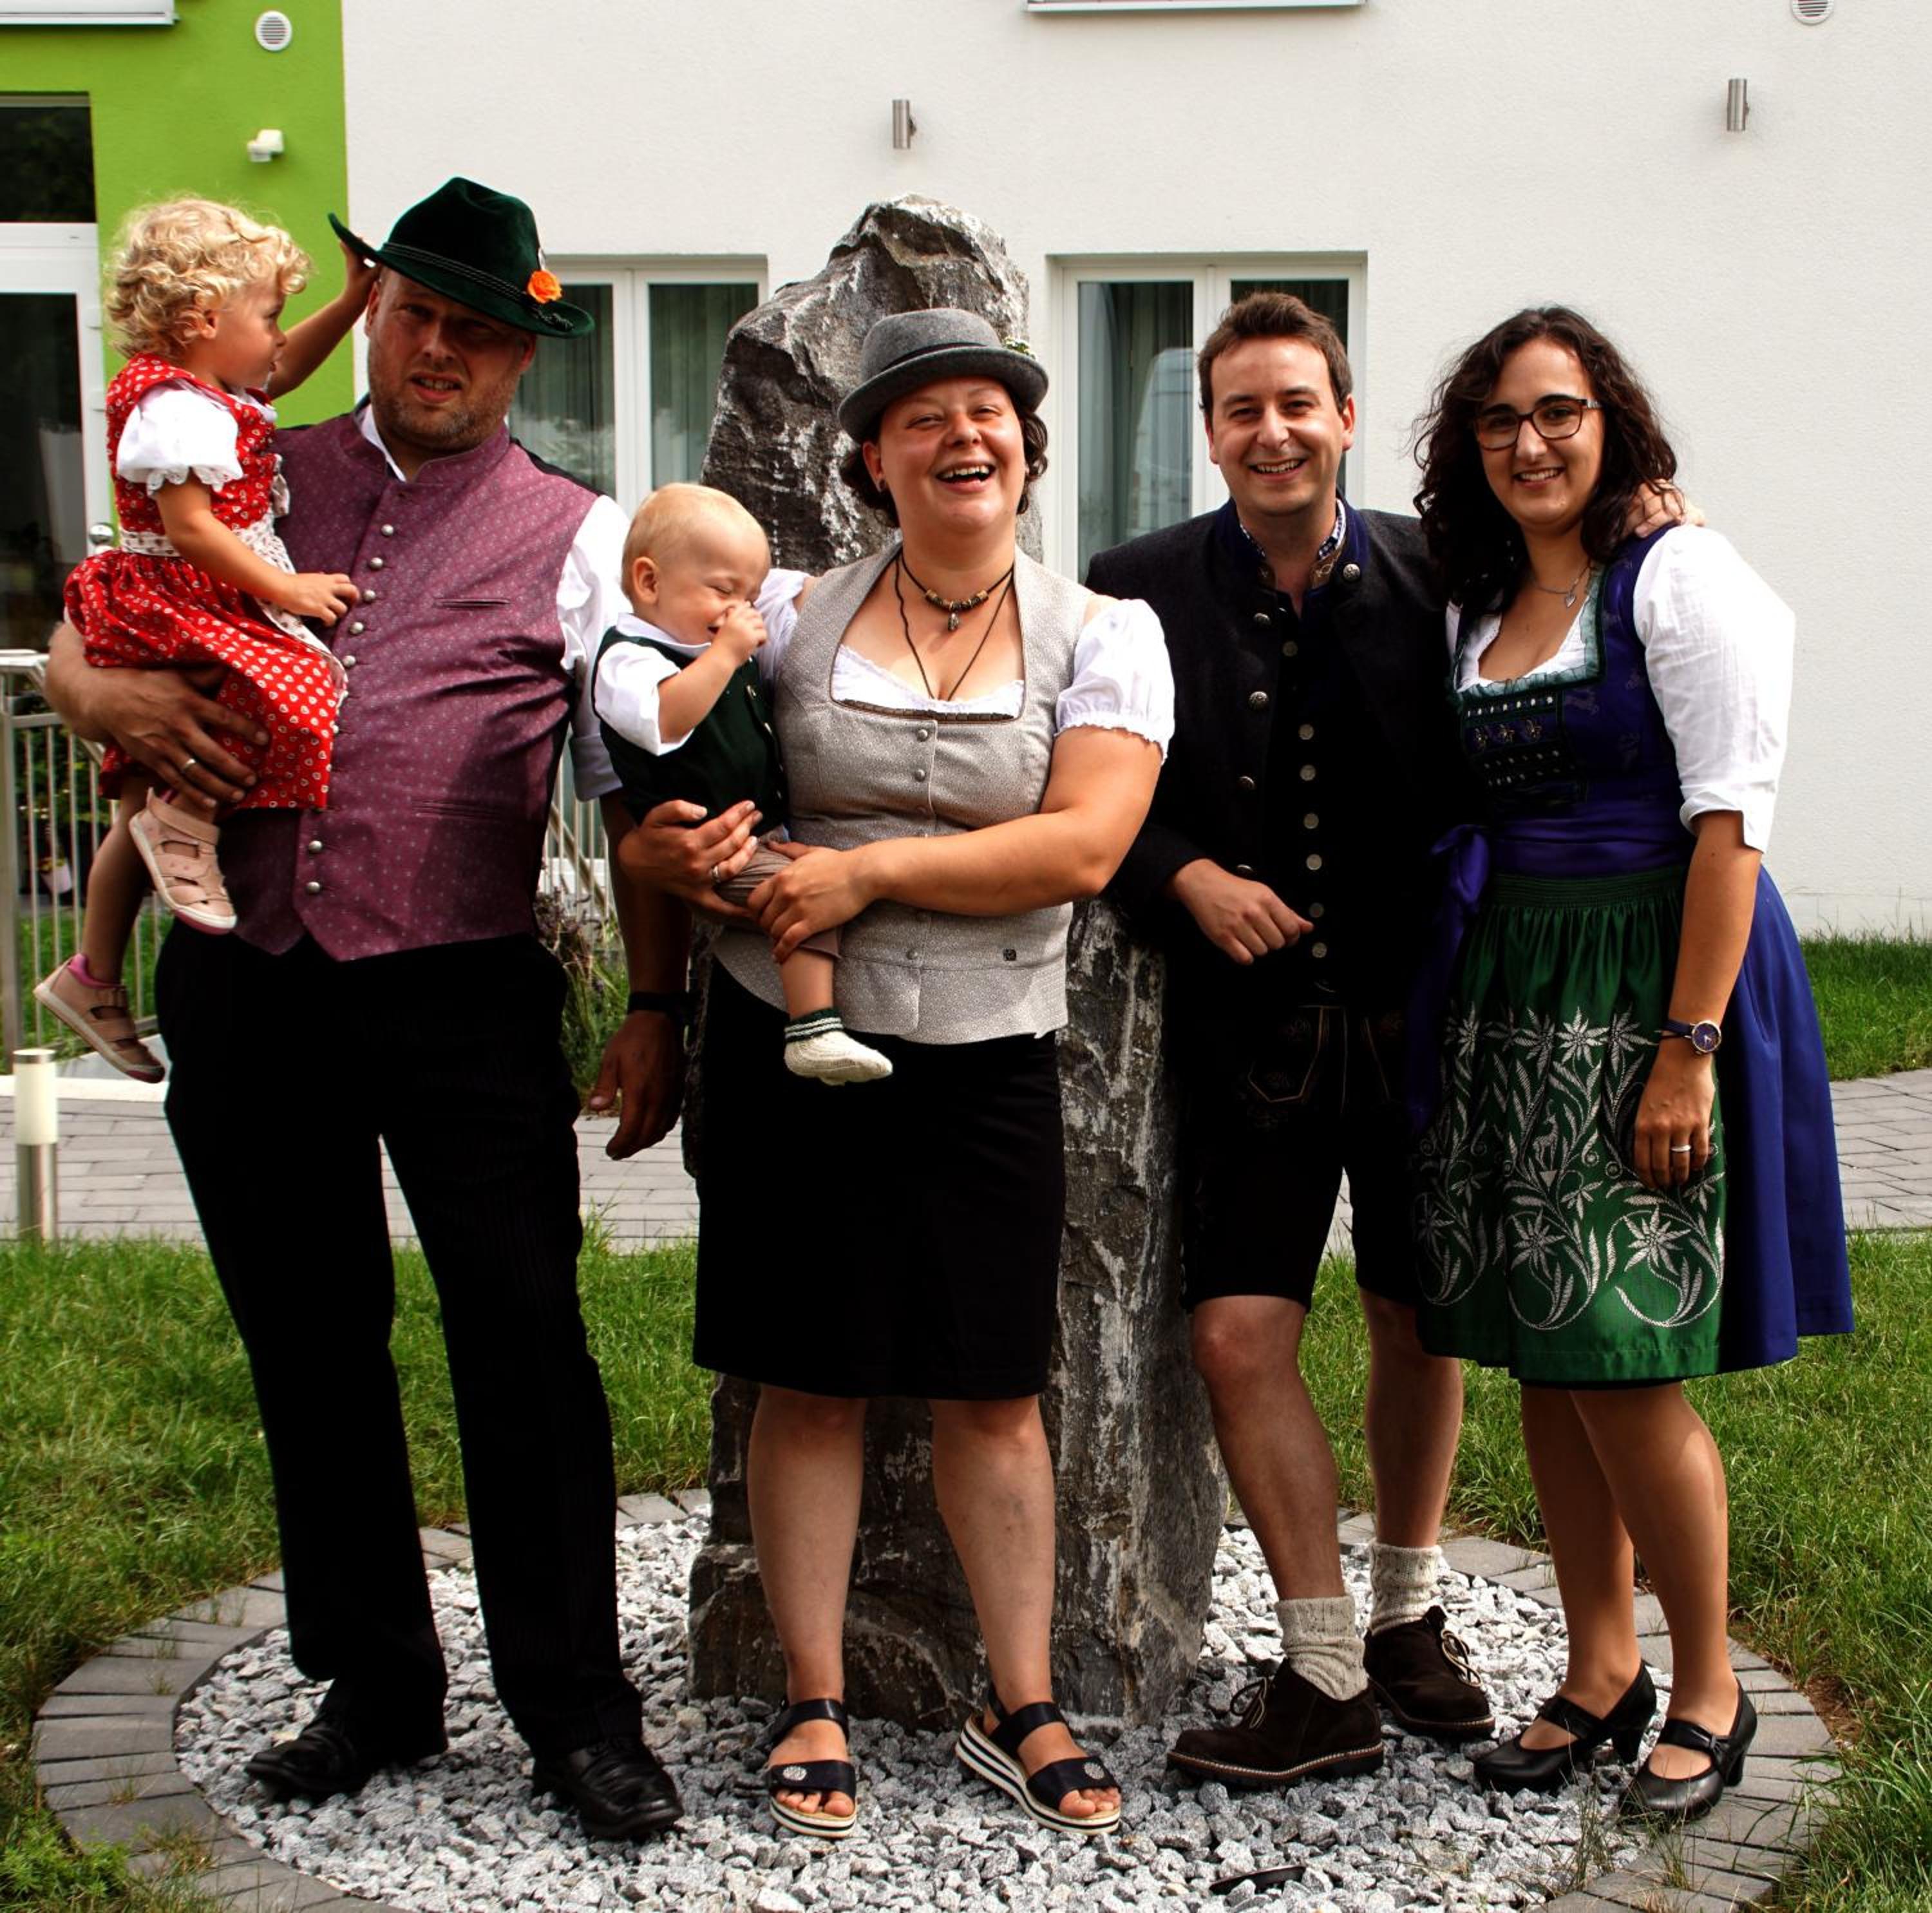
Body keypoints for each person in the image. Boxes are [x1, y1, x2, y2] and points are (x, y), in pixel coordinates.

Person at [44, 178, 688, 1843]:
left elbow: (624, 779)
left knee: (524, 1342)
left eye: (477, 332)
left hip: (462, 984)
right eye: (418, 316)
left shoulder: (578, 530)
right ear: (376, 315)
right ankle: (376, 1684)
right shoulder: (252, 458)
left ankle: (575, 1707)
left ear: (524, 358)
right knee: (309, 1339)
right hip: (246, 974)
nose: (440, 352)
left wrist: (656, 1000)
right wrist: (93, 692)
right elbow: (90, 618)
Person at [618, 309, 1172, 1840]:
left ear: (1026, 448)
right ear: (871, 458)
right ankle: (812, 1694)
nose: (959, 437)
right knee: (808, 1378)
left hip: (989, 1051)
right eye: (921, 417)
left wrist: (861, 878)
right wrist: (664, 868)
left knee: (993, 1386)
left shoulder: (1103, 634)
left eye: (986, 411)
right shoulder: (783, 613)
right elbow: (659, 765)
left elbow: (1085, 844)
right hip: (789, 1039)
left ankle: (1022, 1699)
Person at [1408, 307, 1852, 1823]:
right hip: (1517, 984)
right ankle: (1600, 1669)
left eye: (1559, 411)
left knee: (1626, 1347)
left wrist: (1687, 1050)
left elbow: (1731, 825)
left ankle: (1709, 1685)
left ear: (1612, 423)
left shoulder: (1681, 578)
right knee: (1549, 1343)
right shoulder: (1475, 598)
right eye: (1498, 420)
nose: (1529, 442)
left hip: (1653, 975)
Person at [1086, 293, 1495, 1788]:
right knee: (1235, 1334)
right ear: (1208, 434)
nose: (1272, 432)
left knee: (1414, 1316)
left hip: (1416, 1020)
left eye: (1297, 404)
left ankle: (1405, 1612)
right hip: (1246, 1033)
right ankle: (1322, 1669)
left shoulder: (1443, 571)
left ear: (1343, 417)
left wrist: (1660, 517)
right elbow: (1085, 785)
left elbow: (1586, 597)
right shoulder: (1130, 590)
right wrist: (1179, 874)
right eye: (1241, 409)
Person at [36, 197, 372, 1080]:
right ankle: (187, 824)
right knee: (301, 687)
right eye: (269, 315)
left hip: (181, 592)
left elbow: (283, 366)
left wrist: (351, 302)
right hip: (183, 595)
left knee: (133, 807)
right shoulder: (176, 410)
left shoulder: (208, 389)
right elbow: (190, 527)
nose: (279, 336)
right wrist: (285, 588)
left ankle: (92, 974)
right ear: (203, 319)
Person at [594, 482, 890, 1083]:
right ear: (649, 582)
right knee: (803, 896)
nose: (741, 612)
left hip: (757, 833)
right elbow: (665, 720)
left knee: (822, 879)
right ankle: (813, 1029)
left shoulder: (705, 647)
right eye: (723, 591)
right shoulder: (629, 659)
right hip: (710, 846)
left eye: (750, 597)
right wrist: (727, 655)